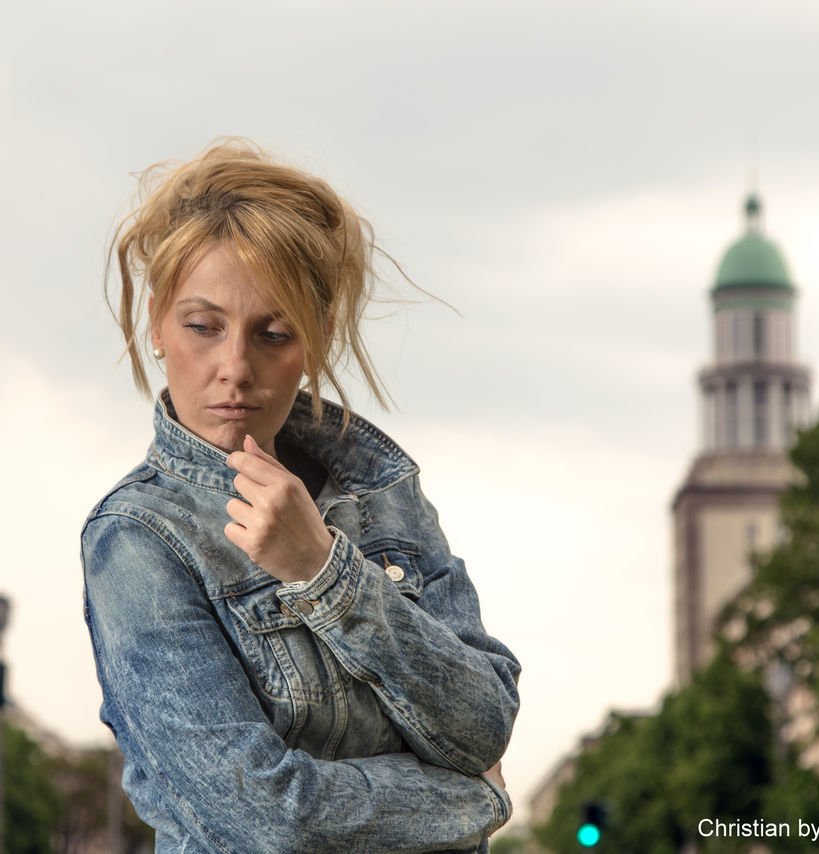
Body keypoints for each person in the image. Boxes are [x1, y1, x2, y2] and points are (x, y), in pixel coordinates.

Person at [82, 139, 521, 853]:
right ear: (158, 323)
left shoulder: (381, 490)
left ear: (315, 338)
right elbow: (267, 820)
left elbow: (482, 725)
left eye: (273, 333)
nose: (234, 367)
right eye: (203, 326)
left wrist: (326, 571)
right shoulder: (137, 538)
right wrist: (472, 803)